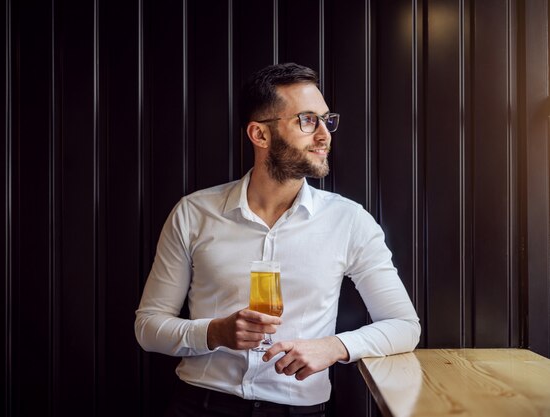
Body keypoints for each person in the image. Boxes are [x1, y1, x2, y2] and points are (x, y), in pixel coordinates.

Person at [135, 63, 420, 417]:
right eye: (306, 120)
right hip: (200, 405)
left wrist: (333, 347)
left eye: (326, 120)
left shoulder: (349, 221)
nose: (324, 135)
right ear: (260, 134)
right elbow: (148, 327)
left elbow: (404, 327)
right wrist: (215, 333)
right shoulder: (194, 213)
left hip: (299, 410)